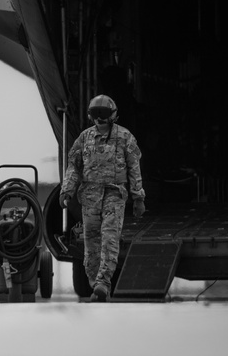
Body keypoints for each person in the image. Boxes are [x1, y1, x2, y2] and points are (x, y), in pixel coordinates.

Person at [59, 94, 146, 302]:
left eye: (103, 114)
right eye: (96, 114)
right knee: (91, 241)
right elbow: (74, 166)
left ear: (112, 116)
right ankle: (94, 282)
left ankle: (103, 283)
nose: (99, 119)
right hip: (90, 196)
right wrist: (67, 190)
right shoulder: (84, 138)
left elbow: (134, 168)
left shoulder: (125, 137)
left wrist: (138, 197)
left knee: (109, 238)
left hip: (114, 195)